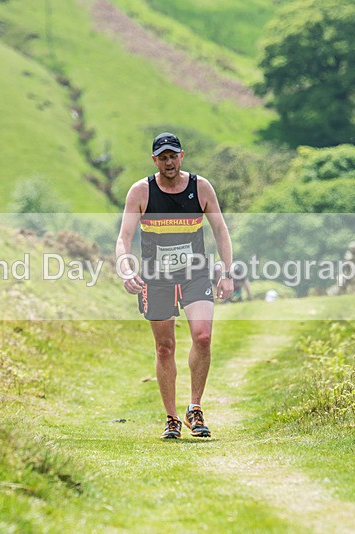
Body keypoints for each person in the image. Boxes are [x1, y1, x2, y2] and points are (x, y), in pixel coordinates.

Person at [116, 132, 234, 439]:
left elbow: (220, 230)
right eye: (163, 157)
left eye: (173, 156)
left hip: (195, 273)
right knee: (165, 347)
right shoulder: (141, 191)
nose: (169, 162)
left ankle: (195, 408)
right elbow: (124, 237)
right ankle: (171, 418)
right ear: (155, 160)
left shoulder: (201, 187)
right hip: (156, 278)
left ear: (182, 156)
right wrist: (126, 268)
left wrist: (227, 273)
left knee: (203, 337)